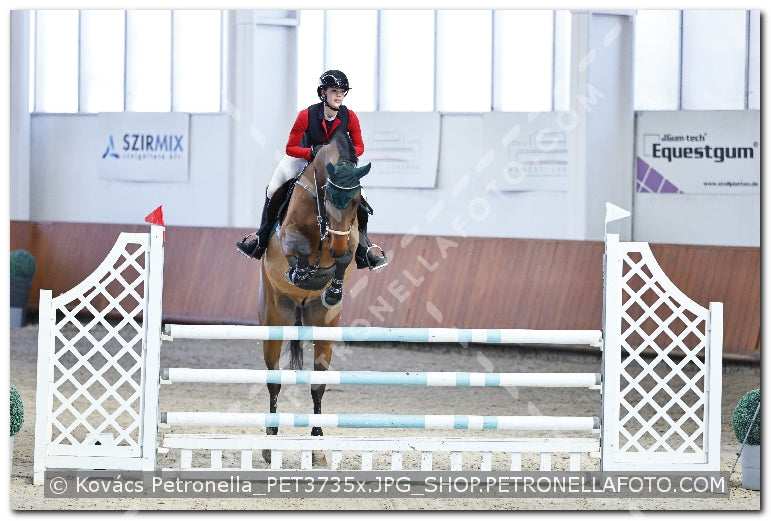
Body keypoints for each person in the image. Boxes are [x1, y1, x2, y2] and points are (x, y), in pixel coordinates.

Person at [236, 69, 387, 270]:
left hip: (336, 167)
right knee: (273, 188)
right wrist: (312, 151)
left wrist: (342, 155)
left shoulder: (350, 117)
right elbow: (290, 147)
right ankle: (261, 239)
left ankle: (363, 248)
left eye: (342, 91)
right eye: (334, 90)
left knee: (362, 197)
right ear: (322, 93)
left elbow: (360, 147)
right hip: (303, 159)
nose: (339, 95)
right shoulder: (306, 115)